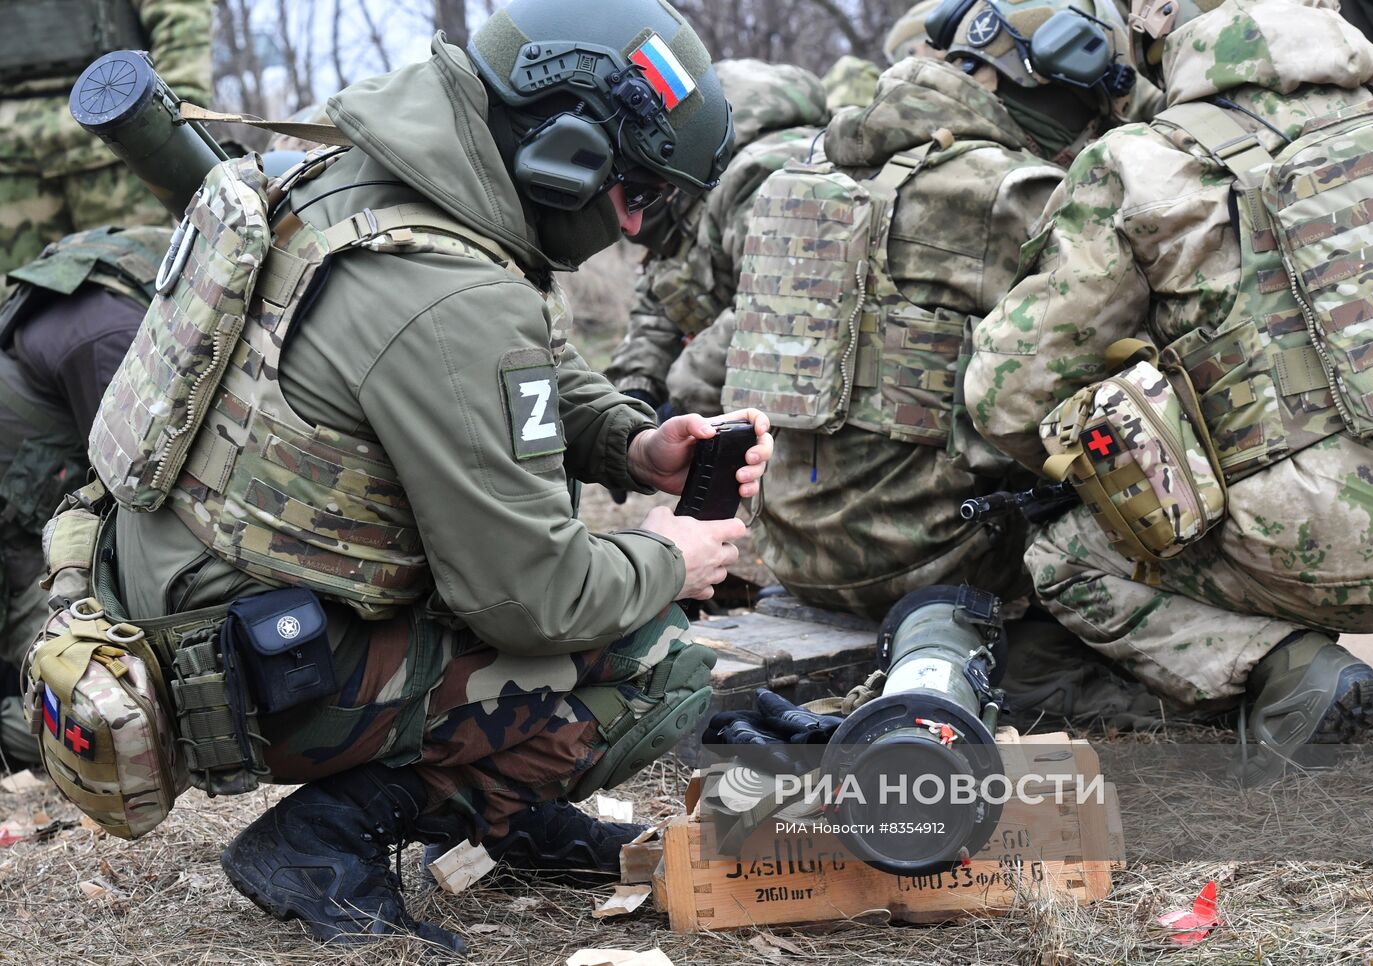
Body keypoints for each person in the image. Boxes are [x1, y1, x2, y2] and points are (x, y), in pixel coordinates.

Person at [75, 0, 770, 949]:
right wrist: (667, 554)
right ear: (567, 151)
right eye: (637, 192)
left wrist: (630, 444)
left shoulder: (353, 173)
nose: (635, 223)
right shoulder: (450, 293)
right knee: (656, 660)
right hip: (260, 673)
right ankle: (330, 836)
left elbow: (494, 368)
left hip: (186, 618)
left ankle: (504, 820)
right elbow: (535, 599)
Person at [965, 0, 1373, 782]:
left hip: (1323, 550)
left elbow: (1011, 396)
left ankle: (1287, 665)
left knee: (1064, 559)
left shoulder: (1142, 163)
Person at [720, 0, 1140, 621]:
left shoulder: (807, 169)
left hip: (790, 549)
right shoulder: (1010, 192)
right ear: (1052, 87)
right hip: (931, 561)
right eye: (1087, 113)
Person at [0, 225, 171, 772]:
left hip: (39, 509)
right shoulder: (112, 338)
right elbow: (146, 498)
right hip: (22, 536)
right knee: (96, 703)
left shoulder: (136, 277)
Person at [604, 59, 829, 416]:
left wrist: (677, 401)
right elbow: (661, 296)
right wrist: (637, 387)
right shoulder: (687, 189)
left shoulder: (764, 178)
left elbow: (768, 313)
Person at [0, 0, 211, 275]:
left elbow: (181, 15)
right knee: (18, 307)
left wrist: (169, 114)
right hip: (11, 163)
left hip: (122, 141)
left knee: (154, 288)